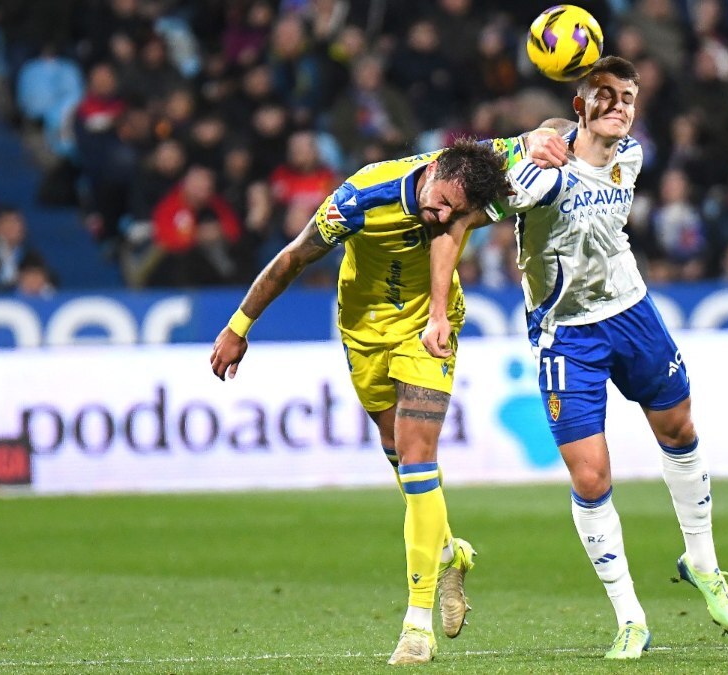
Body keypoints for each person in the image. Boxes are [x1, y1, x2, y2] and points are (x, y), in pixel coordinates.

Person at [423, 56, 728, 661]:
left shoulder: (634, 156)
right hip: (568, 334)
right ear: (580, 107)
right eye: (605, 95)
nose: (620, 105)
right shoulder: (542, 176)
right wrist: (438, 312)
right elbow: (454, 225)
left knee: (680, 430)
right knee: (591, 475)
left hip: (633, 311)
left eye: (628, 96)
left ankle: (702, 563)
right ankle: (631, 619)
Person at [209, 132, 566, 666]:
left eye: (457, 214)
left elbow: (555, 128)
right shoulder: (361, 197)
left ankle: (416, 625)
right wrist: (240, 326)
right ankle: (449, 553)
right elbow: (293, 258)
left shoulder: (473, 176)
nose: (441, 215)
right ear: (437, 168)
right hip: (363, 331)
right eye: (443, 200)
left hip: (429, 328)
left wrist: (547, 136)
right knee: (396, 450)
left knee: (419, 458)